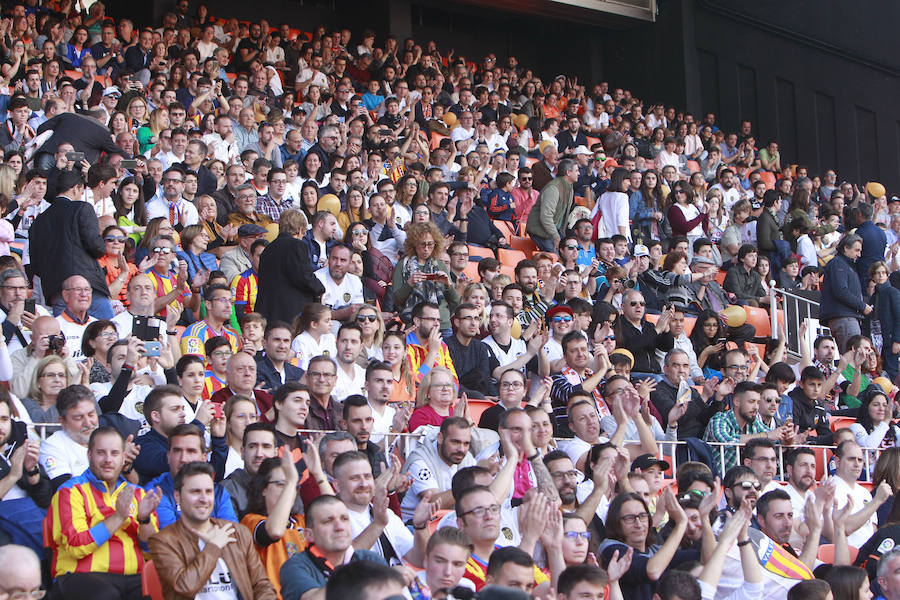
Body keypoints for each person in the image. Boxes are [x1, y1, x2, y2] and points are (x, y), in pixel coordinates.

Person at [47, 427, 161, 600]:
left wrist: (144, 520)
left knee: (168, 586)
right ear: (89, 455)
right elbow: (76, 546)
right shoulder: (70, 491)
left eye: (114, 453)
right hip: (80, 578)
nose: (108, 460)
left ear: (123, 458)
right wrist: (118, 517)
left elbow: (152, 553)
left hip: (132, 579)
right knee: (106, 594)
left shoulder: (138, 494)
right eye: (101, 453)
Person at [147, 461, 278, 600]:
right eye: (195, 492)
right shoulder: (163, 541)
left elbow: (262, 585)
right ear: (177, 496)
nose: (204, 499)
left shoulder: (238, 533)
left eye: (208, 491)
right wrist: (213, 548)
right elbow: (184, 587)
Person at [29, 169, 113, 320]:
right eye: (81, 191)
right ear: (76, 188)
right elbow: (97, 247)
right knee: (106, 334)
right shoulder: (82, 208)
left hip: (56, 289)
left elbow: (35, 265)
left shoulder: (39, 221)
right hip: (86, 286)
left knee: (67, 338)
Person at [279, 495, 387, 600]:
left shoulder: (371, 560)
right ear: (309, 535)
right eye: (328, 521)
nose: (339, 527)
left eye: (344, 519)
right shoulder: (295, 566)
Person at [144, 423, 237, 528]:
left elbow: (231, 534)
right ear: (168, 456)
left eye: (191, 451)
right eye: (177, 451)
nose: (183, 459)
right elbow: (171, 539)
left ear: (204, 458)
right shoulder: (156, 492)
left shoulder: (218, 492)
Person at [255, 210, 326, 325]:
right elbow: (303, 276)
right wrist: (320, 288)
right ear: (299, 230)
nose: (303, 237)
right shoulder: (297, 245)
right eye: (303, 234)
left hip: (267, 312)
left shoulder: (268, 249)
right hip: (290, 313)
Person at [820, 233, 871, 352]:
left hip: (847, 317)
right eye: (856, 250)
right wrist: (862, 306)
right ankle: (849, 372)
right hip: (845, 318)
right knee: (852, 356)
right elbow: (841, 291)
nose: (859, 254)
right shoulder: (838, 263)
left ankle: (849, 372)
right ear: (846, 248)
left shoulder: (846, 265)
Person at [526, 158, 577, 252]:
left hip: (553, 231)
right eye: (576, 171)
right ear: (568, 172)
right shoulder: (553, 188)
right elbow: (546, 216)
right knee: (556, 257)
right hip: (541, 231)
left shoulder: (569, 188)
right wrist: (556, 236)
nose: (578, 173)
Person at [256, 321, 304, 392]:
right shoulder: (255, 372)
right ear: (264, 343)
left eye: (286, 341)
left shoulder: (299, 373)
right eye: (277, 340)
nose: (282, 346)